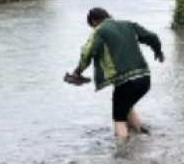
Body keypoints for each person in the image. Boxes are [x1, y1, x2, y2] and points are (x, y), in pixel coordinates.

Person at [67, 7, 165, 141]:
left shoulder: (100, 31)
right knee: (125, 106)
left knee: (119, 119)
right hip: (144, 79)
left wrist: (77, 72)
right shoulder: (128, 25)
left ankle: (121, 154)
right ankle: (143, 136)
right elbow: (152, 37)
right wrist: (158, 51)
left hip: (125, 82)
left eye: (92, 26)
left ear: (94, 21)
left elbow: (88, 53)